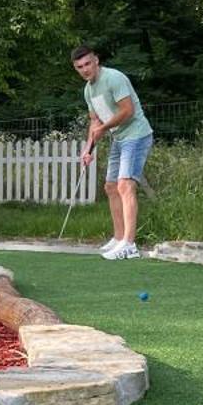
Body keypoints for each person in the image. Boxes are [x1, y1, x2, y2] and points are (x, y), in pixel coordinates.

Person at [72, 44, 152, 260]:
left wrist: (103, 128)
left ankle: (129, 244)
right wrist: (88, 148)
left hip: (136, 134)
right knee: (110, 186)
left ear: (96, 60)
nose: (85, 69)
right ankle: (118, 239)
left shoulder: (113, 78)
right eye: (80, 67)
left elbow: (128, 111)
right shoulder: (89, 90)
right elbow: (95, 121)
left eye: (88, 63)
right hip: (119, 137)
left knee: (125, 185)